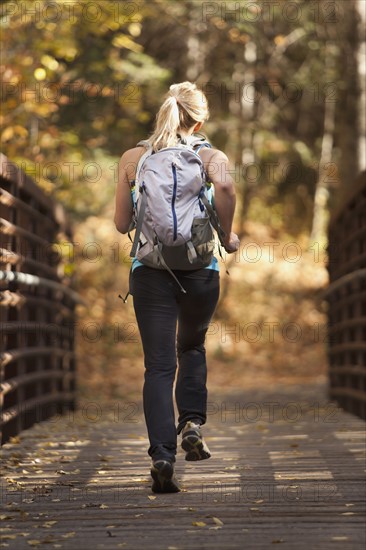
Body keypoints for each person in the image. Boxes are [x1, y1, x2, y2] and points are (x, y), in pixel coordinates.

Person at [114, 82, 239, 493]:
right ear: (200, 119)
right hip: (200, 270)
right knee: (192, 347)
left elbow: (119, 224)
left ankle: (163, 455)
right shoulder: (210, 156)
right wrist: (229, 235)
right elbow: (225, 188)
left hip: (149, 272)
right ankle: (191, 422)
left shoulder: (134, 158)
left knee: (159, 365)